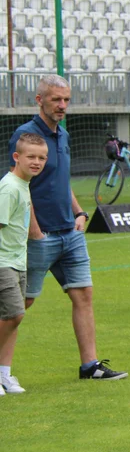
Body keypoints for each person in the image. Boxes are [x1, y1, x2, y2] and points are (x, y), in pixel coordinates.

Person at [4, 76, 126, 386]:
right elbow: (20, 184)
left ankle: (90, 365)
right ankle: (3, 373)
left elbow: (62, 181)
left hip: (70, 233)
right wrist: (34, 230)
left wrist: (79, 212)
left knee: (83, 295)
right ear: (39, 100)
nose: (62, 106)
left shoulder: (64, 135)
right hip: (39, 236)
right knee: (19, 306)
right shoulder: (24, 136)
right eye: (56, 99)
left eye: (66, 100)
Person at [0, 133, 48, 397]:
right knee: (14, 315)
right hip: (3, 262)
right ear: (16, 157)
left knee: (12, 320)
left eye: (42, 158)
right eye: (31, 156)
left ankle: (4, 374)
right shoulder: (8, 187)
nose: (36, 162)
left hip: (18, 262)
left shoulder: (24, 184)